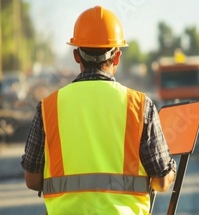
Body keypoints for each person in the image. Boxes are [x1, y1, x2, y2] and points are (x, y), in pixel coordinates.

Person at [21, 5, 176, 214]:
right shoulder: (140, 106)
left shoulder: (48, 107)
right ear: (117, 57)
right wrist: (170, 169)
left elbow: (32, 180)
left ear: (77, 56)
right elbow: (162, 182)